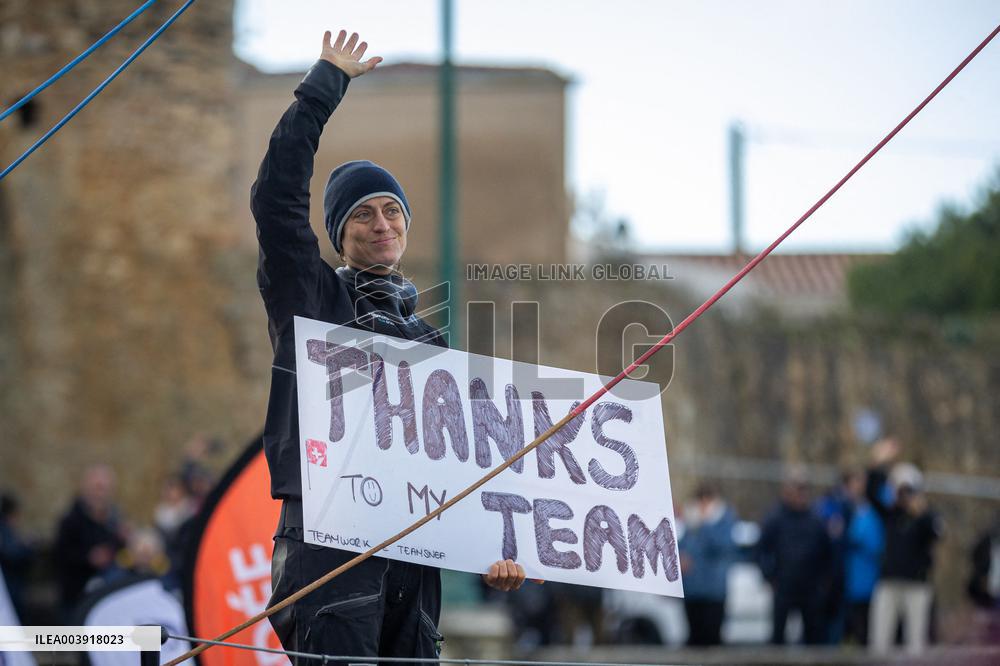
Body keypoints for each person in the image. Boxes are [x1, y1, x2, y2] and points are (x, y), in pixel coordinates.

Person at [251, 30, 527, 660]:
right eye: (363, 214)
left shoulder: (430, 341)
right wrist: (323, 86)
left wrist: (497, 550)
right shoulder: (313, 302)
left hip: (414, 568)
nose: (382, 224)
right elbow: (275, 202)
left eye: (393, 211)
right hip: (331, 557)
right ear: (337, 234)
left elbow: (461, 463)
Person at [866, 438, 942, 655]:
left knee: (915, 643)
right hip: (889, 582)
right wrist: (876, 462)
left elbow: (938, 532)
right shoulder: (890, 515)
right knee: (880, 640)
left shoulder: (926, 516)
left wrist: (923, 513)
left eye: (908, 491)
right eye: (900, 491)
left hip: (916, 585)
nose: (904, 496)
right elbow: (871, 493)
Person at [756, 469, 832, 645]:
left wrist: (823, 581)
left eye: (804, 489)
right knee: (778, 637)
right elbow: (760, 550)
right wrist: (769, 576)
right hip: (784, 585)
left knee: (813, 637)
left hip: (810, 588)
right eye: (797, 489)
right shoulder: (775, 518)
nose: (800, 494)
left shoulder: (815, 519)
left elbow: (828, 554)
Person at [54, 464, 128, 616]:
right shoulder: (71, 521)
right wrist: (88, 558)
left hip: (106, 598)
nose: (101, 494)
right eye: (98, 488)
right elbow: (60, 556)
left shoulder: (114, 519)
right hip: (76, 598)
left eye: (105, 489)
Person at [678, 483, 738, 647]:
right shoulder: (690, 521)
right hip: (692, 590)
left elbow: (722, 546)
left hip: (714, 592)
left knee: (712, 639)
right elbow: (683, 545)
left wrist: (705, 524)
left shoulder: (724, 520)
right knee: (694, 638)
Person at [841, 468, 883, 646]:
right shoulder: (840, 508)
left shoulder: (872, 512)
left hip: (867, 586)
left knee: (864, 634)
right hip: (843, 587)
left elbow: (874, 546)